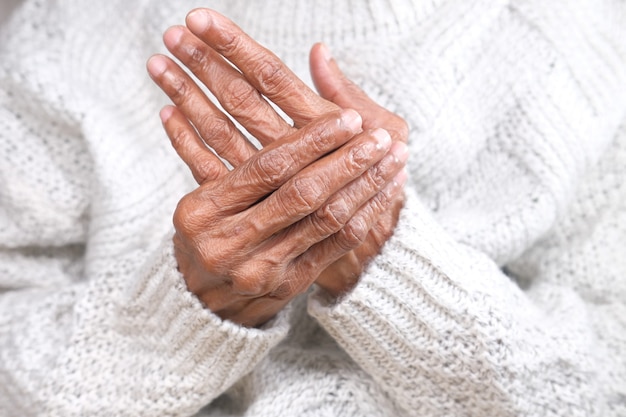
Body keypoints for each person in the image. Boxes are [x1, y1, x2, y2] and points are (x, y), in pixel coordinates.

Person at [1, 1, 625, 416]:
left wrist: (391, 261)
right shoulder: (66, 31)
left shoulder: (588, 42)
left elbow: (600, 390)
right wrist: (183, 308)